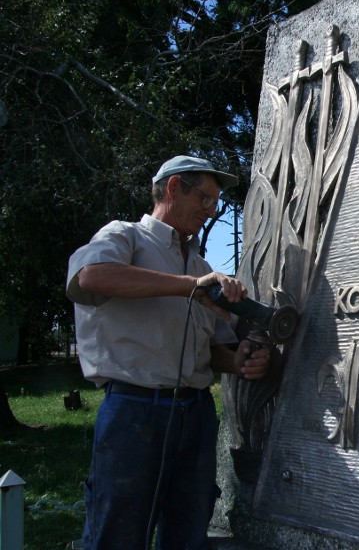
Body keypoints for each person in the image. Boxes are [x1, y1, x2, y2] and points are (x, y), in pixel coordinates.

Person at [66, 155, 270, 549]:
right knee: (118, 533)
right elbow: (91, 276)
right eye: (205, 198)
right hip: (134, 411)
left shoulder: (199, 263)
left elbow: (214, 354)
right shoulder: (124, 236)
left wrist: (241, 359)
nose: (211, 211)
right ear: (174, 188)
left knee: (188, 530)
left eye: (216, 204)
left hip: (195, 415)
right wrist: (188, 285)